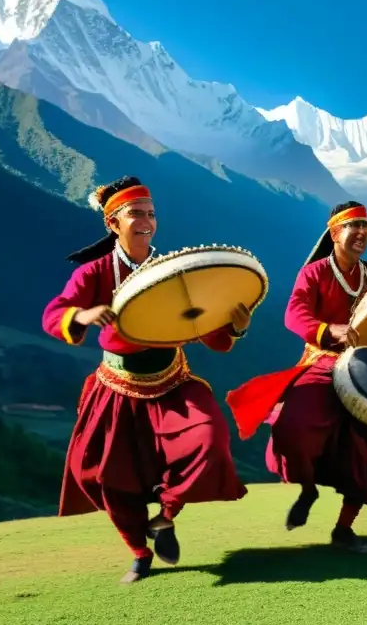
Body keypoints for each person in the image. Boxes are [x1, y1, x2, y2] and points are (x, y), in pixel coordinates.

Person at [41, 176, 250, 583]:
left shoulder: (173, 270)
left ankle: (165, 517)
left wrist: (235, 328)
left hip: (174, 381)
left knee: (209, 440)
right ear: (112, 223)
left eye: (151, 214)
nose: (147, 221)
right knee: (107, 476)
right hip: (117, 388)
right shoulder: (95, 272)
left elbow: (212, 335)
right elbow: (54, 313)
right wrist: (80, 315)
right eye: (136, 213)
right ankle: (139, 552)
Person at [225, 201, 367, 554]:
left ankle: (343, 528)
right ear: (335, 233)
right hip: (322, 362)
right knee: (295, 428)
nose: (361, 233)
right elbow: (294, 315)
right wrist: (328, 330)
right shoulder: (313, 274)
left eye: (365, 227)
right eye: (352, 226)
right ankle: (308, 489)